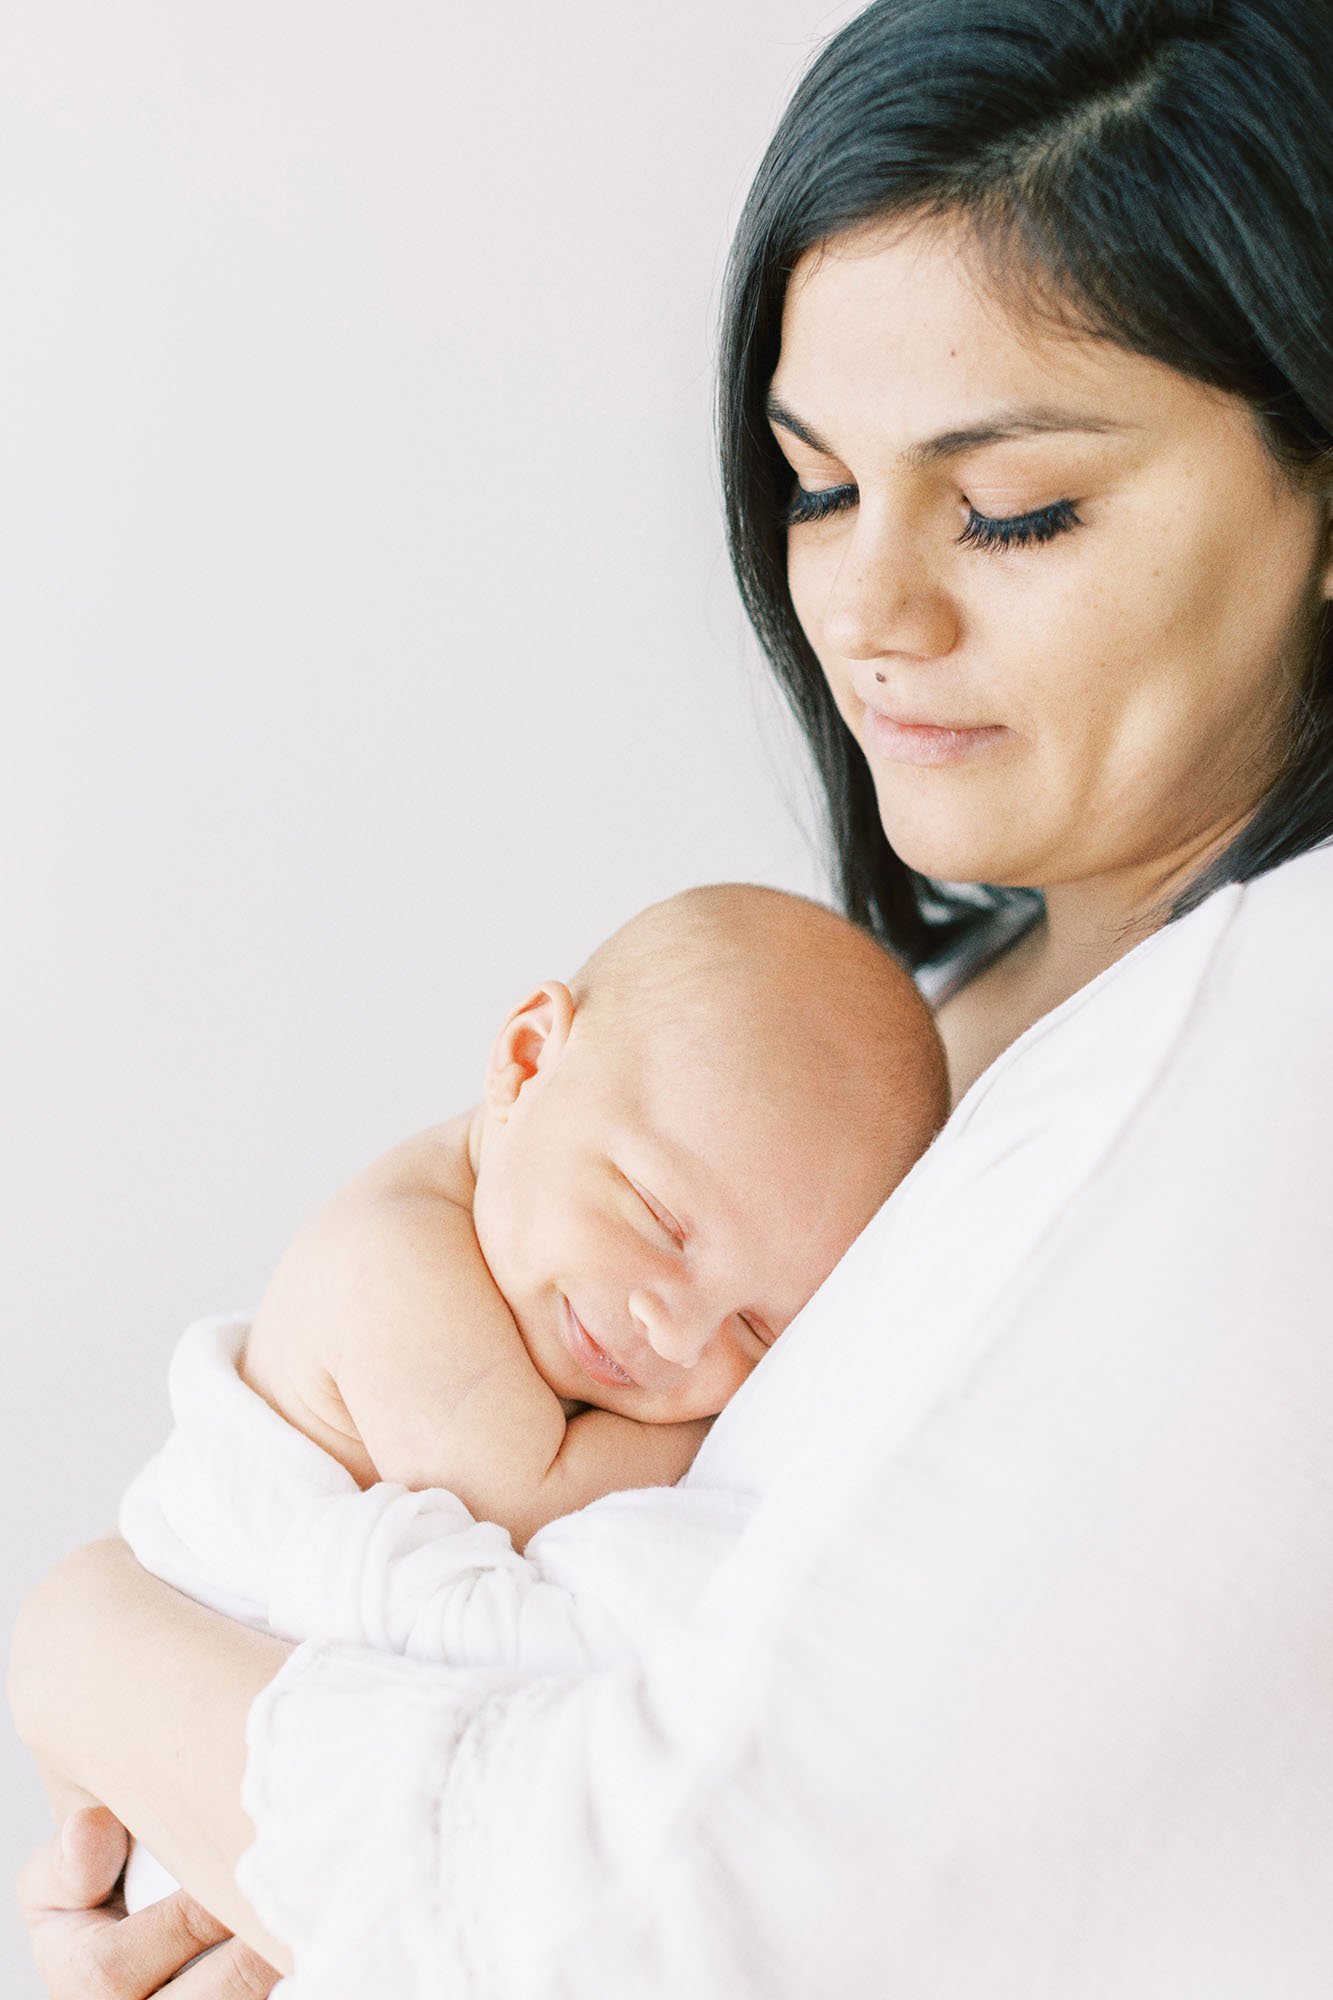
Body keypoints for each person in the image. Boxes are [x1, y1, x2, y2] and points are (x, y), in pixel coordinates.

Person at [10, 0, 1333, 1992]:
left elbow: (639, 1923)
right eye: (813, 487)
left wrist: (93, 1638)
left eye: (1014, 509)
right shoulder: (904, 1019)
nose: (868, 613)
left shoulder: (1277, 1066)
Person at [112, 881, 944, 1914]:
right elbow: (521, 1496)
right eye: (657, 1219)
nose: (673, 1329)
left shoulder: (541, 1254)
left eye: (758, 1331)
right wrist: (717, 1427)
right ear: (526, 1061)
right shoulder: (395, 1258)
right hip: (191, 1787)